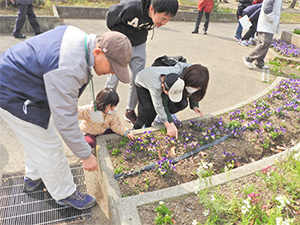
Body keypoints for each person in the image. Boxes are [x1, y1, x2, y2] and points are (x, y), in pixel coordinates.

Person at [0, 25, 132, 210]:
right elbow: (65, 120)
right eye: (113, 67)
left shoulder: (78, 37)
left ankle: (33, 177)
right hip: (13, 93)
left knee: (37, 138)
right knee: (49, 146)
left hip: (22, 85)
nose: (112, 73)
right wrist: (85, 155)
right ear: (97, 52)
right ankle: (65, 194)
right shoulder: (69, 67)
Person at [105, 0, 179, 126]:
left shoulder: (156, 14)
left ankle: (130, 110)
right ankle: (105, 109)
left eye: (168, 19)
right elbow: (110, 17)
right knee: (113, 78)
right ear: (151, 9)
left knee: (137, 80)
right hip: (121, 44)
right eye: (163, 18)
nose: (164, 23)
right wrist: (117, 38)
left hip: (139, 45)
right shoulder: (131, 7)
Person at [134, 62, 209, 138]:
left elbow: (192, 89)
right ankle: (137, 128)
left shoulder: (190, 74)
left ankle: (154, 122)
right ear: (163, 87)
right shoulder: (157, 87)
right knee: (147, 108)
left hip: (162, 83)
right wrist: (168, 124)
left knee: (181, 103)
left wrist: (194, 104)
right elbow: (159, 105)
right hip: (142, 81)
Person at [243, 0, 282, 69]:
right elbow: (267, 9)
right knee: (265, 43)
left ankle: (259, 63)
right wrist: (273, 19)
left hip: (266, 24)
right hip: (267, 24)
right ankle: (248, 58)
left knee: (261, 43)